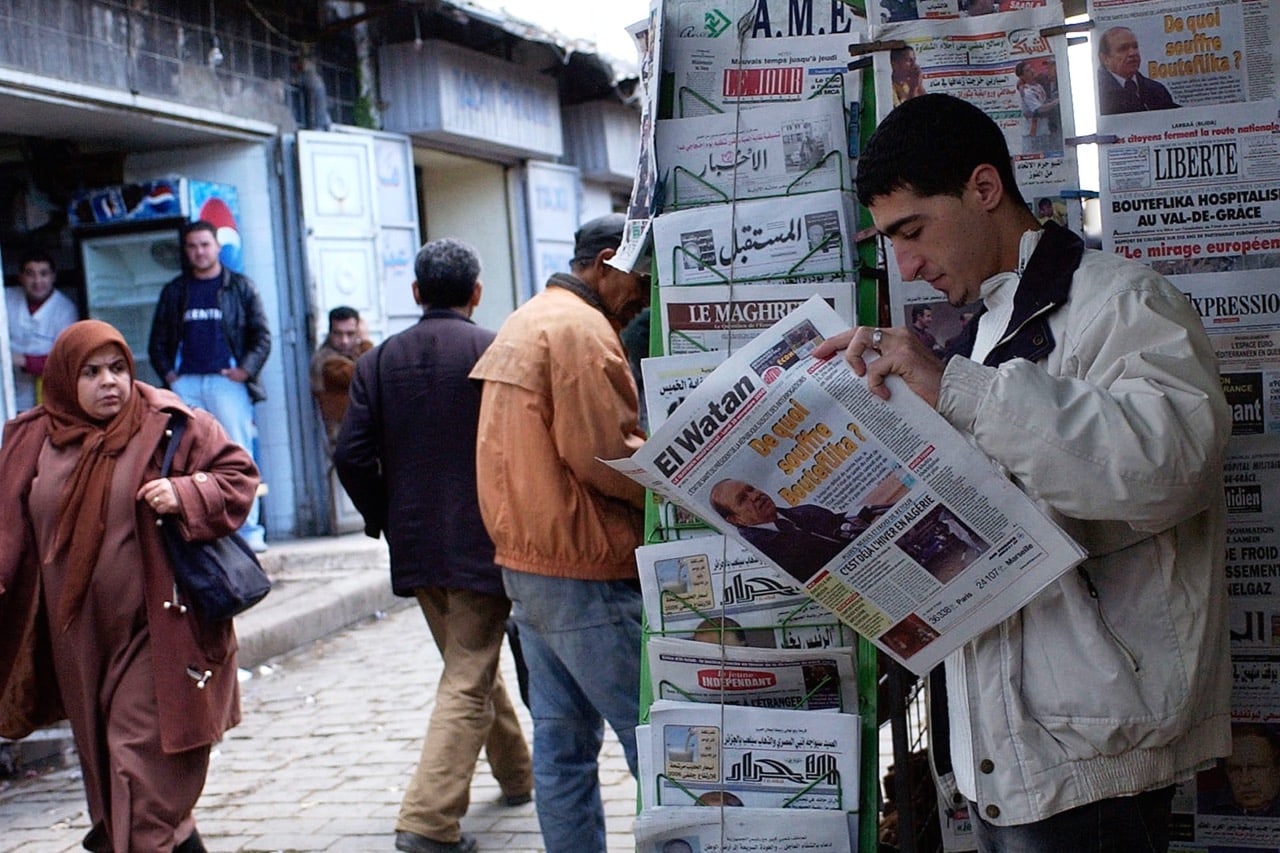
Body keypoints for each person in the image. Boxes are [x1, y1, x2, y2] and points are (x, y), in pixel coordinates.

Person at [814, 93, 1230, 852]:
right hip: (1006, 748)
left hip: (1094, 747)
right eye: (889, 241)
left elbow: (1171, 467)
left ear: (983, 188)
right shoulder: (985, 328)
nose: (905, 264)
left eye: (912, 230)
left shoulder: (1123, 301)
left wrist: (957, 389)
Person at [0, 319, 258, 852]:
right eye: (91, 373)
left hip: (160, 635)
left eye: (117, 368)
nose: (109, 383)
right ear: (65, 380)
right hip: (79, 644)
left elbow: (238, 478)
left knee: (140, 789)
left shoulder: (169, 424)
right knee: (118, 793)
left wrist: (187, 494)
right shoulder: (33, 438)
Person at [334, 239, 532, 853]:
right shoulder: (496, 349)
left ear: (417, 294)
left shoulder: (378, 361)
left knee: (466, 663)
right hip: (485, 539)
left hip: (416, 541)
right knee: (469, 673)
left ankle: (518, 775)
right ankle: (428, 823)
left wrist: (381, 515)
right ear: (476, 292)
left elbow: (350, 455)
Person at [470, 213, 651, 853]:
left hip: (529, 560)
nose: (646, 297)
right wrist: (681, 482)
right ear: (607, 262)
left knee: (563, 744)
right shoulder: (581, 331)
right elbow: (606, 453)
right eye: (641, 278)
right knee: (651, 738)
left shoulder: (529, 317)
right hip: (582, 565)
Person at [148, 220, 271, 552]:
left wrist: (245, 371)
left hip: (227, 383)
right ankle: (199, 529)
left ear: (217, 246)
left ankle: (249, 533)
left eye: (205, 244)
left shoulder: (241, 287)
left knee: (239, 455)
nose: (199, 252)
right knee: (183, 455)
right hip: (186, 383)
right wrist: (170, 377)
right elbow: (157, 340)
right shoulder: (176, 290)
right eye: (192, 246)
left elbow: (262, 336)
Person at [709, 479, 887, 583]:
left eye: (751, 489)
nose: (755, 496)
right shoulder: (759, 555)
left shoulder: (807, 511)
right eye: (742, 499)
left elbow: (840, 524)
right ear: (734, 519)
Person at [5, 249, 78, 412]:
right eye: (30, 274)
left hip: (48, 395)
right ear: (21, 277)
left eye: (44, 274)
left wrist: (23, 360)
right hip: (7, 390)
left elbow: (65, 360)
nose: (37, 281)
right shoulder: (6, 299)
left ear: (53, 276)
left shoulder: (65, 310)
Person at [309, 305, 372, 449]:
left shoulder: (352, 354)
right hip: (345, 442)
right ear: (330, 332)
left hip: (358, 437)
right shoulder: (325, 361)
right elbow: (368, 373)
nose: (344, 340)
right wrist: (365, 341)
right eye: (338, 334)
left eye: (350, 334)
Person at [1200, 724, 1280, 817]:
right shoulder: (1203, 804)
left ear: (1277, 768)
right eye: (1234, 769)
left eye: (1256, 768)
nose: (1245, 780)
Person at [1096, 26, 1178, 115]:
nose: (1133, 53)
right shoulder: (1096, 95)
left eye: (1135, 47)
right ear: (1105, 58)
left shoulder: (1157, 90)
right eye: (1123, 49)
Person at [1015, 60, 1059, 153]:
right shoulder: (1027, 90)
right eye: (1027, 70)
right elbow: (1039, 109)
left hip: (1046, 130)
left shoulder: (1039, 84)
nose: (1032, 70)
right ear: (1022, 76)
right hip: (1034, 133)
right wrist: (1056, 102)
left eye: (1031, 68)